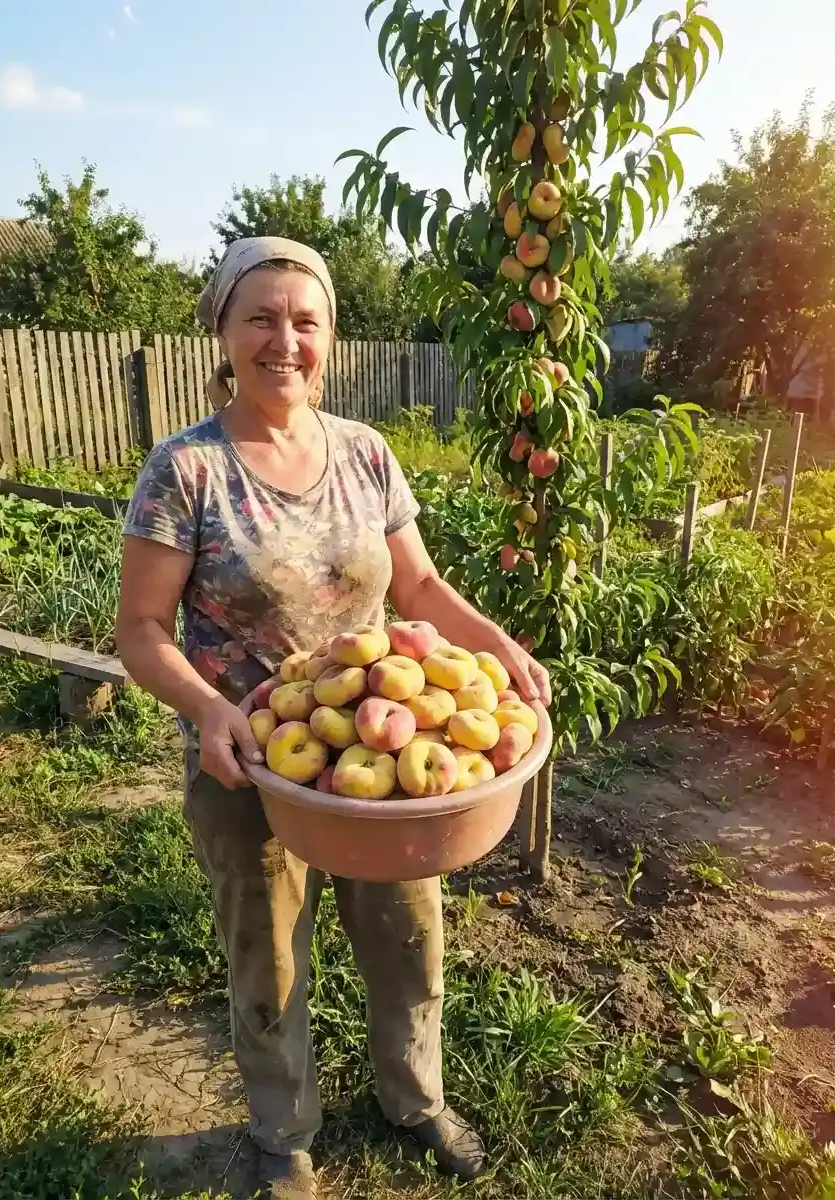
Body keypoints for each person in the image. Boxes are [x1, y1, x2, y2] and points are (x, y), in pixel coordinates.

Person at [116, 237, 551, 1199]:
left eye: (305, 321)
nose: (285, 341)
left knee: (408, 936)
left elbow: (420, 586)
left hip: (386, 755)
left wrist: (502, 646)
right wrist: (208, 710)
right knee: (267, 958)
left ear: (330, 337)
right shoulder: (186, 469)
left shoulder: (365, 453)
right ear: (223, 333)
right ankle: (284, 1134)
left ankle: (416, 1099)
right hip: (249, 760)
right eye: (261, 318)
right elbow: (141, 631)